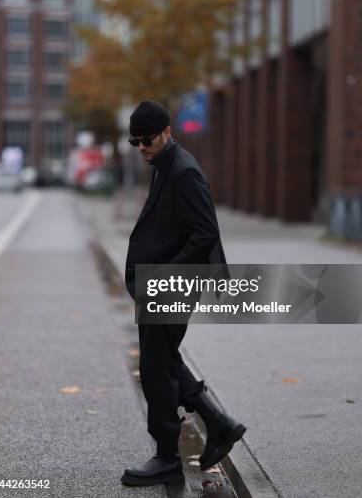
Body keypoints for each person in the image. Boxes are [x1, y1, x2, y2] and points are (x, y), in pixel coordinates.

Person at [121, 100, 246, 487]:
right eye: (135, 141)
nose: (141, 147)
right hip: (162, 283)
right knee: (161, 361)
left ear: (167, 133)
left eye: (147, 140)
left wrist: (166, 277)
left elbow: (205, 233)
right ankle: (218, 423)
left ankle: (166, 458)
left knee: (157, 369)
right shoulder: (164, 165)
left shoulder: (184, 171)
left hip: (174, 284)